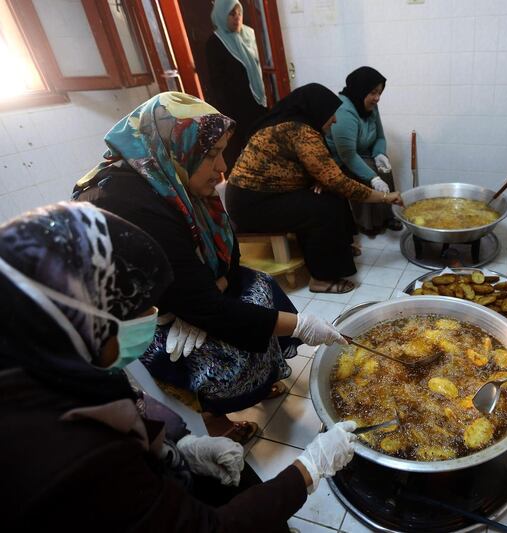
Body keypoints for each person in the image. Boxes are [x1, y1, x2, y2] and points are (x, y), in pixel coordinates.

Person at [0, 202, 358, 532]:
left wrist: (182, 445)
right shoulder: (67, 459)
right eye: (140, 307)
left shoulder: (49, 367)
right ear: (87, 318)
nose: (152, 317)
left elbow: (130, 408)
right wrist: (310, 468)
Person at [74, 92, 344, 443]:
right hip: (135, 321)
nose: (223, 169)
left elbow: (228, 253)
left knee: (261, 288)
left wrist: (212, 290)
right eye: (213, 154)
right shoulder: (129, 204)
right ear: (177, 147)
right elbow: (201, 306)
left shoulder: (171, 177)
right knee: (223, 350)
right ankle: (212, 417)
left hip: (185, 288)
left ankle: (260, 381)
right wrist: (304, 326)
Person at [226, 83, 403, 294]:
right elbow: (340, 182)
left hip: (266, 195)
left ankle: (339, 249)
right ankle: (322, 279)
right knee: (322, 208)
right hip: (252, 204)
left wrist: (319, 180)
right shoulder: (300, 131)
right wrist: (385, 197)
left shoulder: (293, 123)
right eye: (331, 115)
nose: (335, 120)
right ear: (317, 112)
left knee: (330, 193)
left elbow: (314, 170)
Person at [326, 66, 403, 235]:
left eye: (380, 93)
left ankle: (387, 215)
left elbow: (380, 137)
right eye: (373, 92)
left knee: (385, 167)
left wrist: (380, 154)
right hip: (340, 159)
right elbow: (348, 155)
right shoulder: (344, 111)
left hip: (362, 152)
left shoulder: (370, 106)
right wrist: (373, 178)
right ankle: (369, 223)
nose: (377, 98)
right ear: (360, 90)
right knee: (370, 173)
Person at [206, 0, 268, 171]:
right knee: (239, 152)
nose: (237, 18)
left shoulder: (250, 35)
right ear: (221, 15)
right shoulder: (215, 42)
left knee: (264, 146)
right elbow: (216, 83)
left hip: (258, 102)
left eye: (238, 12)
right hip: (234, 108)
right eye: (231, 14)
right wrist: (225, 116)